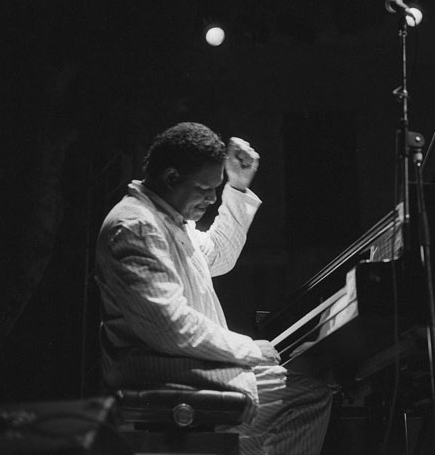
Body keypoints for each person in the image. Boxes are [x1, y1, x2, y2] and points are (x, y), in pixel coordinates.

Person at [95, 122, 332, 454]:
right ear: (172, 178)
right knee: (308, 393)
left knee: (295, 382)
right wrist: (248, 348)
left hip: (178, 363)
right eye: (205, 189)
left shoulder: (166, 219)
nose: (211, 198)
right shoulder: (136, 226)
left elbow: (219, 255)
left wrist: (237, 187)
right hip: (160, 370)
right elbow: (170, 327)